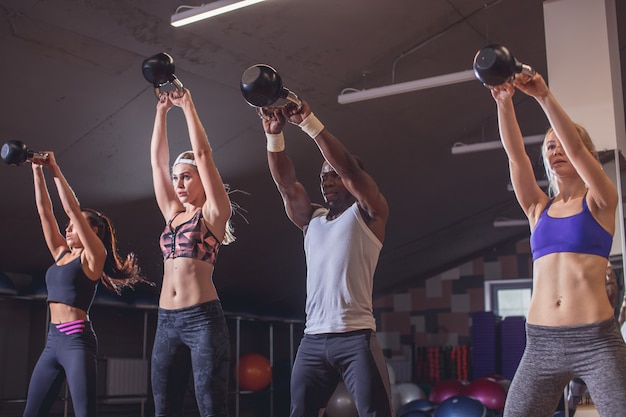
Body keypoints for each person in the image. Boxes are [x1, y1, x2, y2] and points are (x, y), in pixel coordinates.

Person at [489, 72, 626, 417]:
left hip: (596, 341)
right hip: (541, 343)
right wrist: (504, 103)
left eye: (562, 144)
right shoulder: (539, 209)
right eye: (550, 146)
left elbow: (577, 148)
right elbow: (516, 156)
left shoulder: (601, 201)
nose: (557, 150)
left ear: (586, 155)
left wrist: (543, 97)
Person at [260, 100, 394, 417]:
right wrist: (274, 137)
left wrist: (308, 122)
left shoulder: (369, 214)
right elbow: (286, 186)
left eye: (334, 175)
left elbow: (348, 167)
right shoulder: (312, 221)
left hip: (356, 337)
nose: (327, 181)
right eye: (323, 176)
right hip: (313, 341)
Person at [24, 153, 145, 417]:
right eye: (67, 227)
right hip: (52, 341)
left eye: (73, 226)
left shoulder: (94, 257)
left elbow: (71, 211)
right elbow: (45, 212)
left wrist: (54, 168)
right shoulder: (60, 253)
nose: (67, 229)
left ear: (93, 232)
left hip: (76, 341)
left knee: (84, 413)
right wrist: (36, 171)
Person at [150, 88, 234, 417]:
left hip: (202, 320)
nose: (179, 184)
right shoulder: (172, 212)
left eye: (186, 177)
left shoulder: (213, 214)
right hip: (165, 322)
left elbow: (203, 153)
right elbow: (157, 164)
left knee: (210, 407)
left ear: (202, 179)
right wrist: (160, 112)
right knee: (164, 409)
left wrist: (186, 105)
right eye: (176, 178)